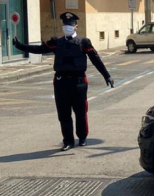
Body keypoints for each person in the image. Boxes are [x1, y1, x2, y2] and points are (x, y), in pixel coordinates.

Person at [13, 12, 114, 151]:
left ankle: (82, 137)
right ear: (63, 25)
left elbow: (96, 59)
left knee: (80, 112)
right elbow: (39, 49)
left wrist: (106, 76)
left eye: (71, 24)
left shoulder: (84, 42)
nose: (68, 26)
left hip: (79, 82)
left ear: (76, 26)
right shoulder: (56, 42)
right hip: (61, 82)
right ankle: (68, 141)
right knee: (63, 114)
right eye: (66, 24)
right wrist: (20, 46)